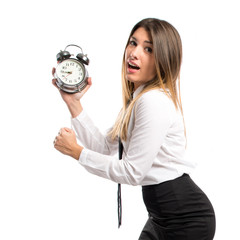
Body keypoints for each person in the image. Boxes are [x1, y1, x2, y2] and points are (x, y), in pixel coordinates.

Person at [52, 18, 216, 240]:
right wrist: (73, 103)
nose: (134, 53)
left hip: (186, 219)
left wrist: (76, 152)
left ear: (164, 59)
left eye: (148, 48)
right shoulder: (139, 99)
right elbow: (104, 147)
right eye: (133, 43)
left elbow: (131, 172)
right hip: (160, 217)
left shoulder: (153, 102)